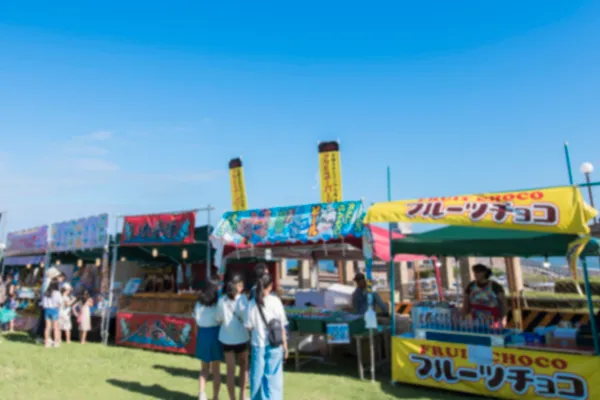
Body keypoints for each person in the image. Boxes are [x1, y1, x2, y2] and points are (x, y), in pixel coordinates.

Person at [245, 273, 288, 400]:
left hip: (258, 344)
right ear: (270, 286)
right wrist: (285, 345)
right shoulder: (276, 301)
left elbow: (249, 326)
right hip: (274, 344)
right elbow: (282, 326)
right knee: (274, 380)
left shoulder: (251, 303)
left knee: (256, 379)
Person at [216, 274, 250, 400]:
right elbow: (247, 318)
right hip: (242, 337)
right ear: (237, 286)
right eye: (241, 285)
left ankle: (232, 398)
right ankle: (242, 396)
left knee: (230, 371)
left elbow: (218, 319)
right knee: (244, 367)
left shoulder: (222, 300)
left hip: (227, 338)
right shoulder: (243, 299)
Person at [193, 279, 223, 400]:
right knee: (216, 369)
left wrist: (198, 336)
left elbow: (195, 324)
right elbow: (221, 320)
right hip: (215, 334)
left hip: (202, 334)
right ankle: (215, 396)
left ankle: (201, 393)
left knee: (204, 368)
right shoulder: (218, 303)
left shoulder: (198, 303)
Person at [42, 279, 62, 348]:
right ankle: (56, 342)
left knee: (47, 327)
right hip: (54, 310)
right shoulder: (57, 293)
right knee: (55, 328)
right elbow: (60, 303)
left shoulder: (46, 292)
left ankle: (46, 342)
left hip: (47, 310)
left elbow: (43, 304)